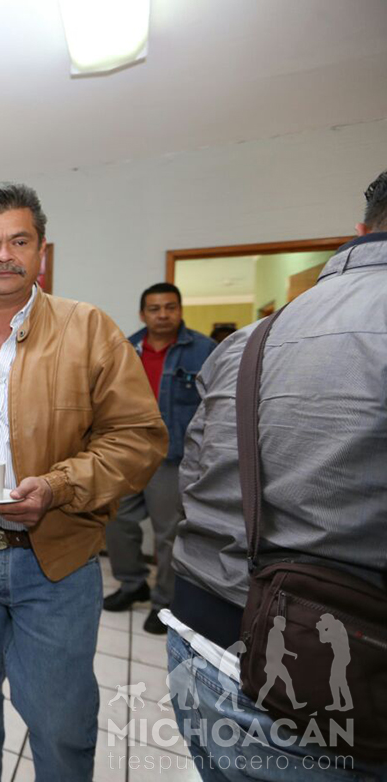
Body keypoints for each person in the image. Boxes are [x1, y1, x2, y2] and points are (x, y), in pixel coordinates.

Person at [0, 182, 167, 781]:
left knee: (59, 721)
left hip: (54, 561)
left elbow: (139, 438)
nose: (4, 256)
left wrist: (58, 487)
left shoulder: (89, 329)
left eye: (19, 241)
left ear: (42, 250)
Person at [163, 168, 387, 778]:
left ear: (360, 230)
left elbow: (196, 472)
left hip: (205, 640)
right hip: (324, 668)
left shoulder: (247, 339)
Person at [103, 283, 215, 634]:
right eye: (154, 309)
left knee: (168, 533)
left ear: (180, 310)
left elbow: (216, 406)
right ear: (143, 314)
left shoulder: (203, 350)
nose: (163, 315)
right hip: (127, 452)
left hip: (172, 457)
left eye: (170, 307)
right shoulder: (125, 348)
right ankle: (132, 582)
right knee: (115, 521)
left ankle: (164, 601)